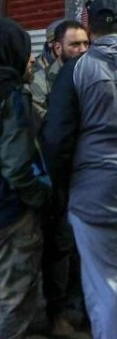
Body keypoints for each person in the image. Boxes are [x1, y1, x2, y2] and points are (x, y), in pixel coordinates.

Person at [42, 0, 117, 339]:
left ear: (91, 27)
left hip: (95, 198)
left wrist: (58, 192)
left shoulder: (78, 69)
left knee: (105, 287)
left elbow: (57, 140)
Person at [34, 19, 89, 337]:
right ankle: (58, 311)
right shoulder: (43, 81)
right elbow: (45, 130)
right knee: (60, 247)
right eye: (74, 45)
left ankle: (77, 307)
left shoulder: (88, 75)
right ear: (58, 48)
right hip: (56, 176)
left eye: (85, 44)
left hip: (84, 174)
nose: (81, 50)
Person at [0, 17, 51, 339]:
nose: (31, 58)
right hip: (10, 213)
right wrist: (40, 197)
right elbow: (17, 166)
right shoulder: (11, 95)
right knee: (12, 301)